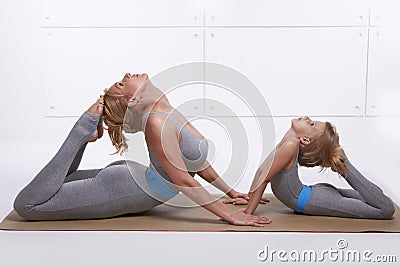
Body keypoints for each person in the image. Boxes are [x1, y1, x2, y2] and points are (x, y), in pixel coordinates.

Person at [13, 72, 270, 227]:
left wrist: (232, 192)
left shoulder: (166, 111)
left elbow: (197, 163)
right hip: (122, 189)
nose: (126, 74)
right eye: (122, 84)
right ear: (133, 100)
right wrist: (229, 216)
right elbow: (182, 179)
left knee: (58, 183)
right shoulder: (156, 122)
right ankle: (84, 129)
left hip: (130, 181)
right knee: (28, 205)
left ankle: (85, 132)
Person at [224, 116, 395, 219]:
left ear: (305, 140)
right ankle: (343, 165)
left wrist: (248, 213)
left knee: (385, 208)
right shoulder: (285, 144)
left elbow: (265, 179)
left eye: (311, 124)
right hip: (315, 195)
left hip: (317, 200)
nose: (307, 118)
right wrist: (249, 197)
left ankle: (343, 164)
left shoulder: (290, 145)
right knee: (378, 199)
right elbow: (262, 173)